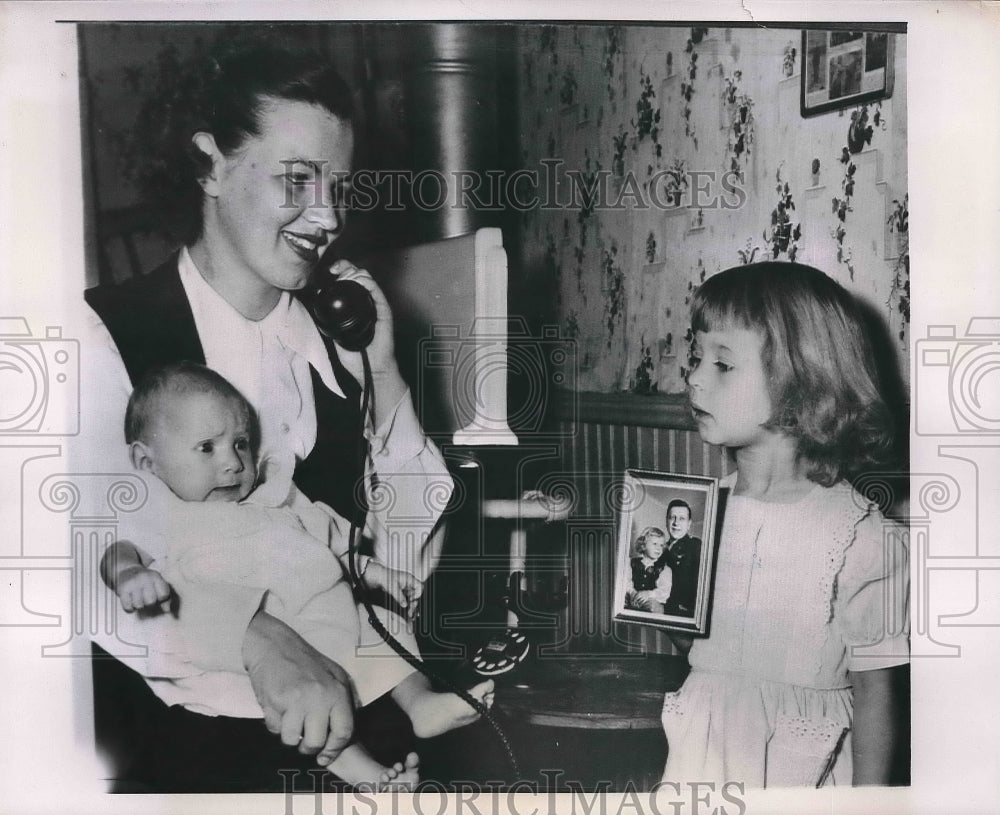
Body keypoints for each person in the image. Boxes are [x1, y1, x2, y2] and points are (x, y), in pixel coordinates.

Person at [77, 38, 454, 791]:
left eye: (339, 187)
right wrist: (255, 635)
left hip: (364, 741)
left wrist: (381, 372)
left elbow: (406, 569)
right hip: (188, 746)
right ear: (211, 164)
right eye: (297, 180)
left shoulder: (338, 342)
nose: (327, 217)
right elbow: (78, 572)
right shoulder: (105, 333)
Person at [100, 363, 495, 790]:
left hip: (330, 614)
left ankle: (420, 704)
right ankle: (366, 774)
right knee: (307, 707)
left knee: (388, 630)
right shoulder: (161, 514)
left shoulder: (276, 499)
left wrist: (374, 570)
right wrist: (129, 574)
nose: (233, 463)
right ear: (146, 461)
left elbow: (332, 540)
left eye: (241, 443)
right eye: (207, 448)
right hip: (262, 645)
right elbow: (119, 550)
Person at [660, 262, 909, 788]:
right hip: (701, 758)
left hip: (804, 771)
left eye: (723, 364)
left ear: (801, 382)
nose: (695, 377)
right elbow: (703, 651)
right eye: (696, 356)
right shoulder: (698, 514)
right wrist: (660, 605)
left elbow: (876, 695)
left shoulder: (859, 538)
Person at [657, 499, 702, 617]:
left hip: (682, 616)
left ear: (689, 524)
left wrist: (664, 608)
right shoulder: (659, 549)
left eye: (682, 518)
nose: (676, 523)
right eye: (672, 517)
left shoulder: (696, 546)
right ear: (666, 521)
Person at [626, 526, 672, 613]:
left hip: (651, 605)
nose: (658, 548)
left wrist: (648, 594)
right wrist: (633, 594)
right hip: (632, 602)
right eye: (654, 544)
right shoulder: (631, 563)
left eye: (661, 545)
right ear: (643, 545)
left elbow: (664, 591)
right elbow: (626, 582)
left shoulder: (664, 569)